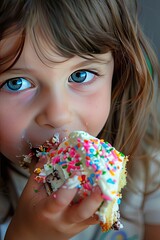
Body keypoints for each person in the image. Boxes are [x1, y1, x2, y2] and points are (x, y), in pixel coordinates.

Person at [0, 0, 160, 239]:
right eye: (16, 83)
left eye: (80, 75)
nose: (58, 115)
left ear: (117, 73)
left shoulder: (151, 171)